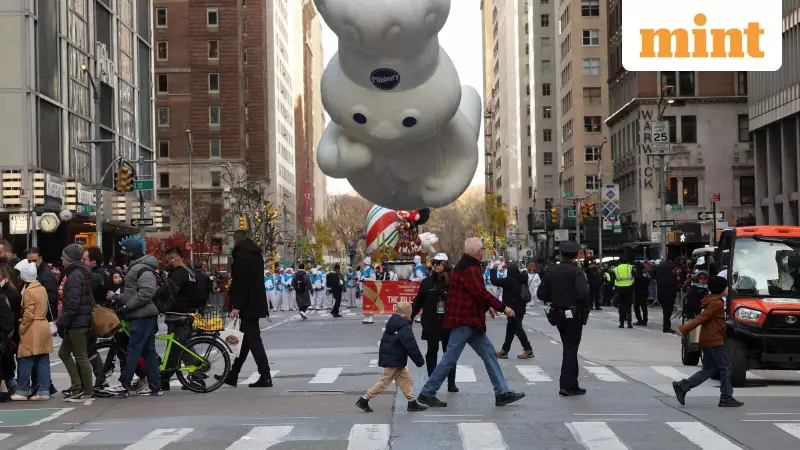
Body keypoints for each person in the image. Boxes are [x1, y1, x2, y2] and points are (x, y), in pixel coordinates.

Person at [417, 237, 524, 408]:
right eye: (482, 249)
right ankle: (427, 393)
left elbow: (473, 294)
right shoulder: (470, 268)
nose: (483, 252)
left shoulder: (465, 265)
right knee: (450, 358)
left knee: (489, 353)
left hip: (469, 320)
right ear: (477, 252)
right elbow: (480, 293)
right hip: (465, 320)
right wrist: (504, 308)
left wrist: (487, 307)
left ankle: (502, 392)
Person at [673, 276, 743, 408]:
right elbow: (701, 318)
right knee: (726, 367)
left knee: (709, 369)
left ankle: (683, 386)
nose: (728, 289)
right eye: (726, 287)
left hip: (708, 339)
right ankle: (726, 397)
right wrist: (684, 329)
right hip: (714, 341)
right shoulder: (716, 303)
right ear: (721, 289)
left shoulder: (712, 300)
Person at [537, 241, 591, 396]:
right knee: (571, 348)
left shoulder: (552, 271)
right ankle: (567, 385)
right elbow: (583, 293)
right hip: (574, 313)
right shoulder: (576, 272)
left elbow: (541, 294)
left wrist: (555, 297)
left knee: (569, 347)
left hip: (558, 313)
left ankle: (572, 384)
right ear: (575, 255)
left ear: (561, 254)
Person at [356, 302, 428, 413]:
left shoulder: (394, 322)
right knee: (384, 382)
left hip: (394, 357)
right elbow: (411, 345)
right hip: (395, 359)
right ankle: (364, 399)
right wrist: (419, 361)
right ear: (407, 312)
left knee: (406, 378)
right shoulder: (404, 326)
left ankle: (412, 402)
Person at [223, 230, 272, 388]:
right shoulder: (255, 254)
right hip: (255, 303)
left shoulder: (243, 256)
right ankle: (233, 374)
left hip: (248, 305)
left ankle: (265, 376)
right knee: (246, 341)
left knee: (254, 340)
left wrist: (237, 306)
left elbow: (242, 283)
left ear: (236, 240)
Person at [116, 237, 163, 398]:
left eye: (125, 254)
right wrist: (119, 298)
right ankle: (155, 386)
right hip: (144, 316)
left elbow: (146, 292)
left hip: (141, 317)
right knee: (148, 353)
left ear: (131, 254)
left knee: (134, 351)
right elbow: (133, 293)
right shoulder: (138, 268)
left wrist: (127, 307)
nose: (123, 258)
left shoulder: (141, 268)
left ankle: (125, 385)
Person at [411, 253, 458, 393]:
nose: (435, 265)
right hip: (431, 322)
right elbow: (418, 302)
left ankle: (451, 382)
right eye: (434, 263)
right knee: (432, 351)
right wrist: (409, 317)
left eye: (439, 263)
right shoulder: (427, 282)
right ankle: (432, 382)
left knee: (449, 353)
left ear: (446, 264)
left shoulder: (454, 282)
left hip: (449, 322)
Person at [56, 244, 95, 401]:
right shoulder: (81, 272)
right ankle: (78, 386)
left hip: (77, 322)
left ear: (69, 259)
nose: (61, 259)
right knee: (65, 353)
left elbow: (72, 303)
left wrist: (62, 323)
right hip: (81, 319)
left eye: (64, 256)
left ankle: (85, 389)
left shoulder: (74, 275)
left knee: (80, 356)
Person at [10, 261, 52, 401]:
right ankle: (44, 390)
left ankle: (22, 390)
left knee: (25, 359)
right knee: (43, 360)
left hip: (32, 327)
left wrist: (22, 328)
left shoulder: (29, 291)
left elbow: (28, 314)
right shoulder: (41, 288)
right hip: (43, 325)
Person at [161, 248, 198, 389]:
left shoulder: (178, 273)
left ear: (173, 258)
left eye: (168, 260)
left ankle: (196, 375)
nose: (167, 263)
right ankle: (167, 378)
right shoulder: (189, 271)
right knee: (182, 345)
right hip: (186, 313)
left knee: (177, 348)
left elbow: (171, 292)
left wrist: (161, 304)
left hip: (178, 314)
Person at [490, 262, 534, 360]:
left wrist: (494, 269)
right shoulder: (523, 278)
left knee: (517, 329)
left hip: (512, 309)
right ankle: (505, 350)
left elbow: (494, 281)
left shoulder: (510, 280)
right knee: (511, 329)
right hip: (521, 308)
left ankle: (528, 349)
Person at [26, 248, 59, 322]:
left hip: (44, 318)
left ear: (40, 259)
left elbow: (50, 301)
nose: (32, 264)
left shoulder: (47, 276)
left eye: (34, 261)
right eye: (29, 261)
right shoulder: (32, 273)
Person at [656, 259, 678, 333]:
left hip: (661, 293)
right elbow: (674, 282)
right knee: (667, 311)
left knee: (665, 311)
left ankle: (666, 326)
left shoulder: (659, 270)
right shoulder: (670, 274)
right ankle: (666, 327)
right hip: (669, 294)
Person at [613, 259, 635, 328]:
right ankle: (629, 323)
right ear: (627, 262)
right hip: (629, 288)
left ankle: (621, 323)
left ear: (619, 262)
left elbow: (613, 279)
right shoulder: (630, 267)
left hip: (619, 289)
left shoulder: (616, 269)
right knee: (628, 306)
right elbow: (634, 276)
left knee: (621, 306)